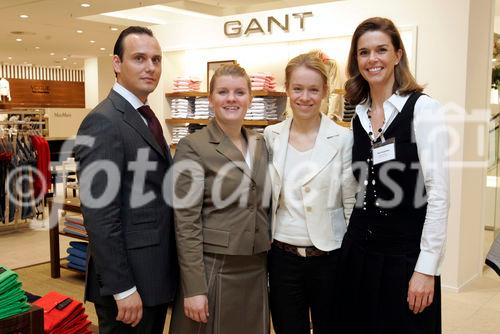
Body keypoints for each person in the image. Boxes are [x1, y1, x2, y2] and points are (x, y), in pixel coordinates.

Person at [337, 17, 449, 333]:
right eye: (363, 52)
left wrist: (426, 269)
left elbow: (438, 193)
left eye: (381, 50)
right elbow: (353, 185)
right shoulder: (357, 115)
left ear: (397, 54)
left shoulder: (423, 110)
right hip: (358, 255)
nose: (372, 59)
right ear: (356, 60)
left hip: (404, 259)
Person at [75, 26, 178, 333]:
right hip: (128, 285)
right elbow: (99, 216)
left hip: (153, 275)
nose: (150, 67)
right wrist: (122, 288)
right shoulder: (103, 121)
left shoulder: (145, 115)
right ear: (117, 64)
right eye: (139, 58)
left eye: (156, 60)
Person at [169, 64, 271, 334]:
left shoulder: (260, 143)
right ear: (211, 98)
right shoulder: (193, 146)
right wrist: (194, 288)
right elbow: (186, 222)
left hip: (256, 266)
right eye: (223, 92)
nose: (231, 99)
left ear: (250, 98)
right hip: (215, 266)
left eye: (239, 92)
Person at [263, 52, 357, 334]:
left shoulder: (343, 138)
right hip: (282, 258)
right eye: (298, 89)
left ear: (326, 91)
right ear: (287, 89)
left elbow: (351, 201)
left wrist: (352, 258)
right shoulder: (271, 136)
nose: (305, 97)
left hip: (329, 257)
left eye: (314, 89)